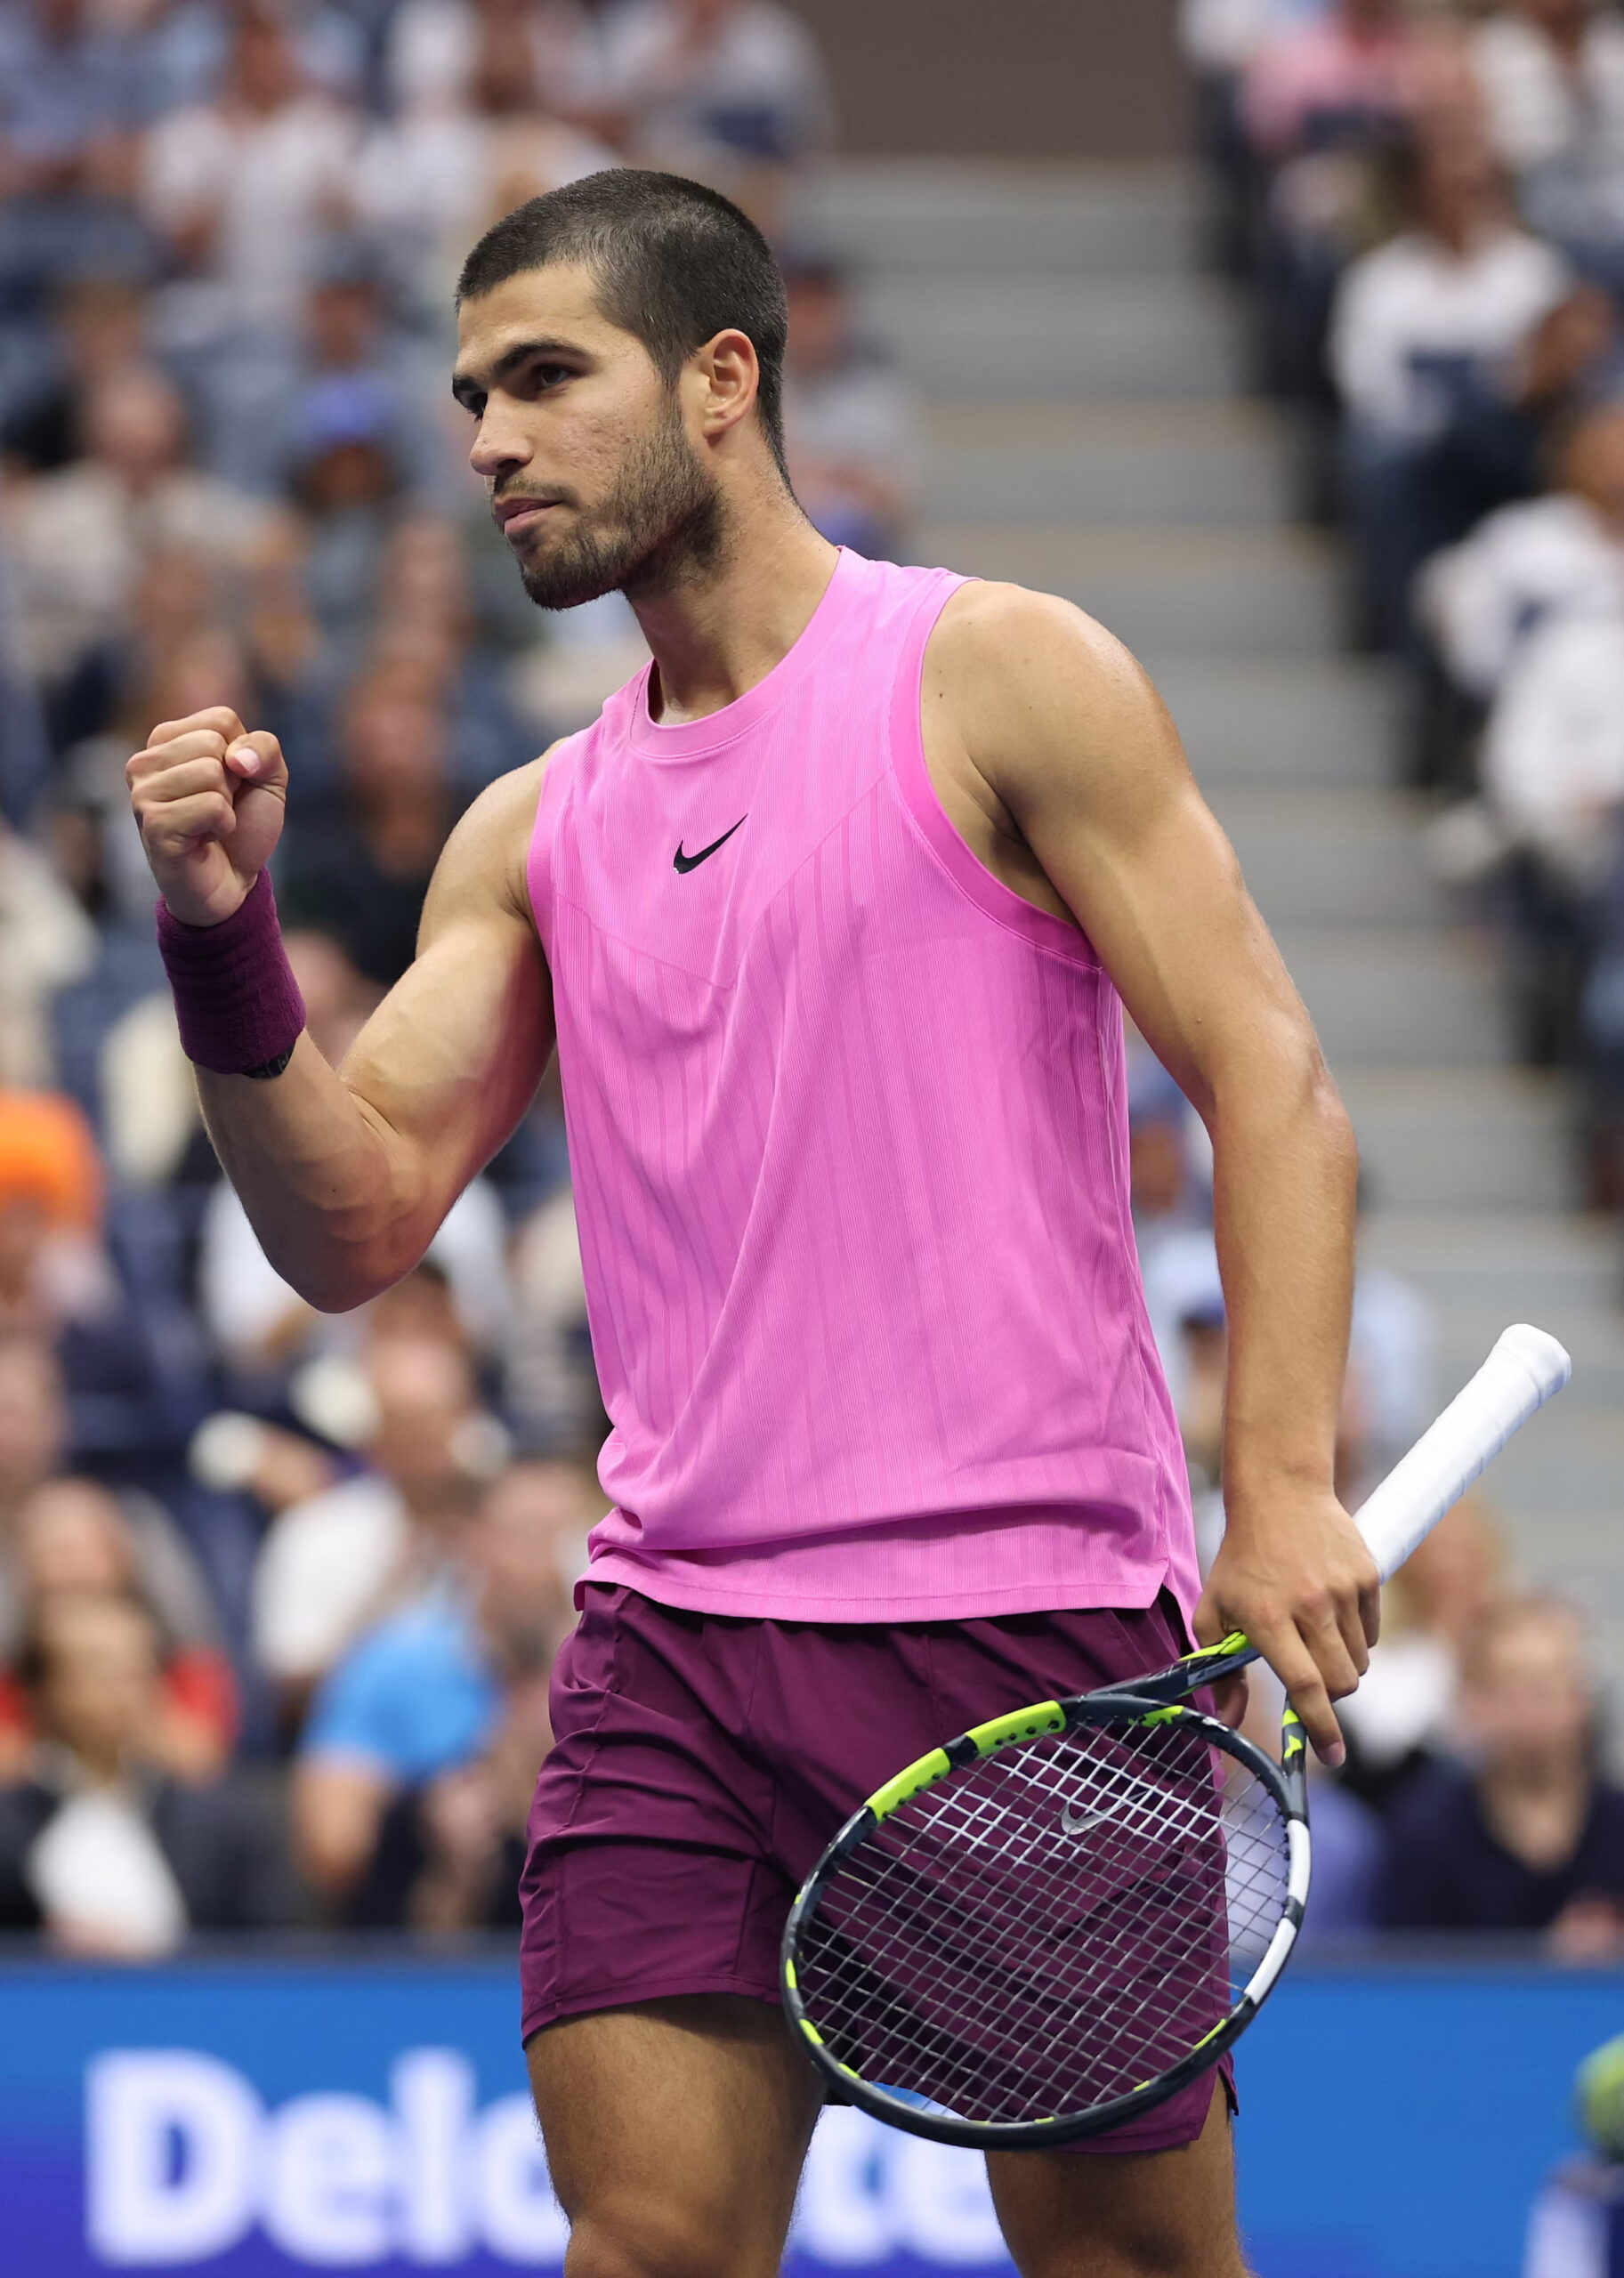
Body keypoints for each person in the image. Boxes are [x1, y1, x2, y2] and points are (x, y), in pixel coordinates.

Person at [126, 169, 1378, 2278]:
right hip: (676, 1640)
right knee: (645, 2245)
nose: (487, 440)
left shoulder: (997, 673)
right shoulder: (531, 827)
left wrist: (1274, 1487)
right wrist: (222, 932)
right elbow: (346, 1220)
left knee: (1125, 2263)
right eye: (468, 397)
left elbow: (1272, 1080)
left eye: (543, 378)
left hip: (1024, 1628)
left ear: (722, 378)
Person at [292, 1457, 589, 1921]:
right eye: (528, 1534)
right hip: (433, 1952)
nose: (549, 1562)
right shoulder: (395, 1662)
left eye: (571, 1539)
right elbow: (329, 1850)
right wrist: (425, 1815)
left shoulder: (621, 1675)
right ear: (476, 1543)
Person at [0, 1589, 299, 1950]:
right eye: (97, 1670)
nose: (123, 1689)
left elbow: (273, 1953)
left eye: (137, 1670)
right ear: (42, 1689)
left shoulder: (220, 1822)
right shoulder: (12, 1825)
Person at [1379, 1594, 1624, 1954]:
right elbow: (1405, 1976)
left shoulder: (1616, 1824)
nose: (1530, 1708)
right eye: (1509, 1687)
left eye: (1546, 1686)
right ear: (1472, 1700)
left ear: (1583, 1697)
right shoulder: (1424, 1830)